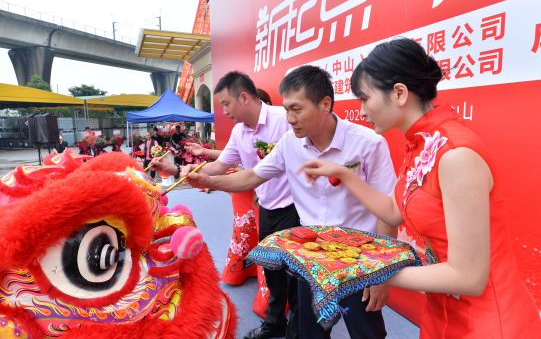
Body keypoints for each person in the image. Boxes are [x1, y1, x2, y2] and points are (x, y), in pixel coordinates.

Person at [297, 39, 541, 338]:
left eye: (365, 98)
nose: (360, 111)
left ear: (399, 93)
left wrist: (370, 269)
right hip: (443, 309)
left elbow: (469, 277)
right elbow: (393, 211)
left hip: (488, 321)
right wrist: (344, 175)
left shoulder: (454, 155)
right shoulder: (422, 146)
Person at [183, 66, 396, 339]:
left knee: (366, 332)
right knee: (311, 332)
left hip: (358, 260)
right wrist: (209, 181)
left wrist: (381, 275)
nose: (290, 119)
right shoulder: (289, 144)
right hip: (310, 257)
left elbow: (389, 213)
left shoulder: (368, 144)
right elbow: (251, 177)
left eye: (297, 109)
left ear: (325, 104)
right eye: (286, 110)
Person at [153, 71, 300, 339]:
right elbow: (219, 166)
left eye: (226, 104)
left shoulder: (284, 119)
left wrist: (207, 179)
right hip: (266, 207)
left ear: (244, 97)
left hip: (295, 208)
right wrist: (178, 170)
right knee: (273, 271)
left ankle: (298, 330)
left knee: (295, 276)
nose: (223, 111)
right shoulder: (239, 132)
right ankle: (274, 324)